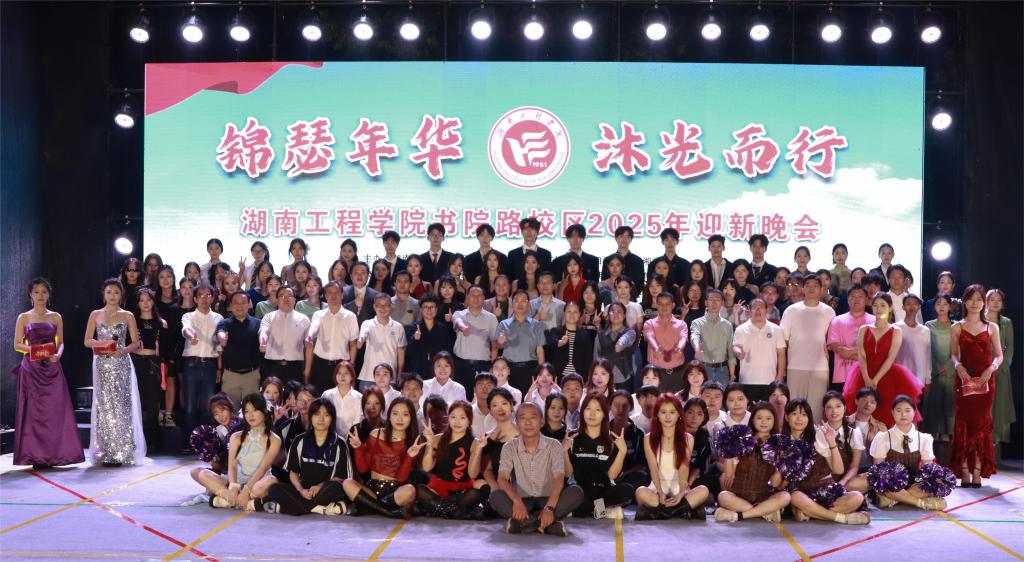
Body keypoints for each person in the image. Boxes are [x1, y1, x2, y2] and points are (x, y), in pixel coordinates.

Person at [11, 278, 85, 467]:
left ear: (49, 294)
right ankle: (35, 456)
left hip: (52, 368)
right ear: (30, 294)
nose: (40, 295)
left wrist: (58, 355)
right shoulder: (24, 317)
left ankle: (55, 455)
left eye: (44, 291)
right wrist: (33, 350)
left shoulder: (55, 316)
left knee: (55, 410)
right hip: (31, 369)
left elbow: (60, 342)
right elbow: (17, 344)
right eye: (36, 291)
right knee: (34, 413)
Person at [490, 402, 584, 536]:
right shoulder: (509, 447)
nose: (528, 422)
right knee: (495, 496)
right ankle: (548, 525)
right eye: (523, 418)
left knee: (576, 492)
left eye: (533, 417)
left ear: (541, 422)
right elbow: (502, 479)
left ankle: (523, 524)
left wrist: (549, 508)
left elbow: (558, 479)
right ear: (516, 423)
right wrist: (516, 501)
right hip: (522, 501)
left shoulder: (554, 445)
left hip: (549, 500)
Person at [842, 293, 924, 427]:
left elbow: (891, 357)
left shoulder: (896, 330)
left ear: (890, 307)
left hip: (887, 374)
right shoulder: (864, 329)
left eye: (882, 305)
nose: (878, 309)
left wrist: (875, 380)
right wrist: (866, 377)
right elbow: (861, 355)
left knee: (887, 410)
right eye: (875, 305)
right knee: (861, 409)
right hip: (864, 373)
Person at [783, 399, 870, 525]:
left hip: (826, 489)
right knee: (795, 497)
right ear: (787, 417)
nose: (799, 419)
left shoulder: (818, 435)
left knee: (857, 497)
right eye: (794, 414)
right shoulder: (781, 441)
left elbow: (838, 470)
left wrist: (832, 442)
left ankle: (811, 512)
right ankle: (843, 518)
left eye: (804, 414)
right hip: (802, 493)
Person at [949, 284, 1002, 487]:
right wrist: (958, 366)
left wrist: (991, 369)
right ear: (964, 302)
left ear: (984, 303)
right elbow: (954, 354)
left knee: (981, 424)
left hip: (985, 381)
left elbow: (999, 355)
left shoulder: (992, 327)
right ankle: (964, 471)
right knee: (963, 423)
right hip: (964, 380)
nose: (975, 303)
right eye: (971, 299)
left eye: (979, 299)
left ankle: (977, 471)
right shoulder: (957, 327)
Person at [261, 398, 351, 516]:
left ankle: (289, 507)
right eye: (317, 414)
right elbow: (293, 472)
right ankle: (318, 508)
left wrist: (319, 487)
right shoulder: (299, 440)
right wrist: (301, 490)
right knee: (274, 488)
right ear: (311, 417)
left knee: (337, 488)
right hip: (303, 491)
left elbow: (341, 478)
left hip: (325, 490)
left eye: (326, 415)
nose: (321, 419)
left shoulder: (340, 443)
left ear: (332, 419)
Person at [343, 396, 424, 518]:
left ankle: (368, 506)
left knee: (410, 490)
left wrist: (409, 456)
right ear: (389, 416)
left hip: (396, 492)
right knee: (347, 483)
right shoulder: (376, 434)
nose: (400, 418)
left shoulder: (413, 442)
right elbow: (363, 469)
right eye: (395, 414)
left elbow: (401, 479)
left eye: (405, 414)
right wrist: (358, 449)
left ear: (411, 418)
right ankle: (389, 512)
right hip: (372, 489)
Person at [197, 393, 280, 510]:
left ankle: (226, 501)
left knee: (271, 481)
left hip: (258, 482)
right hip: (237, 480)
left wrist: (246, 490)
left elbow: (263, 469)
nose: (250, 415)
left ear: (264, 411)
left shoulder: (274, 439)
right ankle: (241, 501)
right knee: (203, 474)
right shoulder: (236, 437)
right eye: (246, 411)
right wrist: (233, 487)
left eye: (255, 410)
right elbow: (232, 466)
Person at [634, 393, 709, 520]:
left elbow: (684, 467)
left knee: (703, 490)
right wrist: (660, 492)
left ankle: (660, 512)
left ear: (679, 414)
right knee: (640, 492)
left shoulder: (688, 438)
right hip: (657, 488)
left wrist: (681, 492)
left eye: (672, 412)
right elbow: (653, 468)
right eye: (663, 412)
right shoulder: (648, 438)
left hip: (679, 486)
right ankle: (683, 510)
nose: (668, 416)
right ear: (657, 414)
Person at [714, 402, 791, 522]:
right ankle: (764, 512)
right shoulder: (742, 440)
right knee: (723, 496)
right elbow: (729, 475)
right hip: (739, 495)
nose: (764, 422)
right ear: (753, 420)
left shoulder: (779, 445)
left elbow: (775, 484)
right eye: (759, 418)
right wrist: (728, 453)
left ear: (774, 421)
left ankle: (739, 515)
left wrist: (780, 464)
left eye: (768, 418)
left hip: (764, 497)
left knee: (785, 497)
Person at [868, 396, 947, 510]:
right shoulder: (882, 437)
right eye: (898, 411)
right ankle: (920, 503)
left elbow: (928, 469)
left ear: (914, 412)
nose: (903, 414)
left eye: (907, 410)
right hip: (889, 485)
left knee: (934, 482)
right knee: (882, 481)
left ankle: (893, 500)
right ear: (892, 412)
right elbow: (878, 469)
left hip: (913, 485)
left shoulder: (924, 438)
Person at [566, 394, 634, 519]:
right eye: (588, 409)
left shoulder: (612, 439)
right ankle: (601, 511)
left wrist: (622, 451)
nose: (592, 414)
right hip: (580, 492)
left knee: (627, 490)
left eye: (598, 410)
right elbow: (567, 472)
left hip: (603, 492)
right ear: (583, 412)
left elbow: (612, 475)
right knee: (570, 494)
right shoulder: (572, 437)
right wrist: (564, 450)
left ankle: (585, 511)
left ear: (604, 414)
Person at [417, 400, 488, 519]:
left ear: (469, 421)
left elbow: (473, 474)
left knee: (474, 494)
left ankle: (440, 509)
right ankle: (456, 511)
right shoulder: (438, 439)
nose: (457, 421)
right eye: (453, 417)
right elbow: (426, 467)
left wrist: (478, 450)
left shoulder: (475, 442)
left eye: (462, 418)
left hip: (462, 489)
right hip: (438, 488)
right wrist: (429, 443)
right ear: (448, 418)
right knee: (420, 490)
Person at [780, 273, 836, 421]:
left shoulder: (829, 311)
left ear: (822, 289)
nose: (811, 289)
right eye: (808, 285)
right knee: (794, 409)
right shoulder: (791, 310)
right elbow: (783, 340)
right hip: (795, 367)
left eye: (815, 286)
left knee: (816, 411)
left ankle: (815, 436)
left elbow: (832, 341)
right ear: (802, 289)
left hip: (820, 368)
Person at [178, 284, 224, 439]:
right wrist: (191, 336)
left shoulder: (218, 318)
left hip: (210, 364)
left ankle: (206, 441)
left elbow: (219, 346)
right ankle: (189, 441)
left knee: (207, 406)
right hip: (192, 363)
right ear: (195, 299)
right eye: (201, 295)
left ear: (213, 298)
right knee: (190, 405)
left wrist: (219, 368)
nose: (205, 299)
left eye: (208, 295)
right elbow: (186, 329)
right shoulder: (189, 316)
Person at [305, 281, 359, 395]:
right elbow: (314, 327)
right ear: (325, 296)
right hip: (320, 364)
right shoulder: (318, 314)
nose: (333, 296)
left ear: (342, 295)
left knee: (340, 397)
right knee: (319, 398)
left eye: (337, 292)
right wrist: (310, 335)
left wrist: (351, 366)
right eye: (330, 293)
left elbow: (353, 344)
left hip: (341, 365)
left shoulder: (350, 316)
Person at [732, 298, 786, 402]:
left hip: (770, 380)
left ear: (766, 310)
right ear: (749, 310)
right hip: (747, 379)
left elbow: (781, 354)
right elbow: (736, 346)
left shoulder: (776, 329)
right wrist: (737, 351)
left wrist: (780, 375)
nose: (758, 310)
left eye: (761, 307)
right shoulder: (741, 329)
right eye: (754, 308)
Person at [130, 288, 165, 445]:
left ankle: (152, 442)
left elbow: (167, 348)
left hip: (153, 363)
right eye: (142, 300)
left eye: (148, 300)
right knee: (136, 401)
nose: (145, 303)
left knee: (152, 402)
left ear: (153, 301)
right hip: (135, 361)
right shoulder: (132, 321)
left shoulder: (161, 323)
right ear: (138, 303)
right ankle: (135, 441)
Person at [495, 290, 546, 396]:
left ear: (528, 304)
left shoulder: (536, 325)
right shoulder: (503, 324)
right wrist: (500, 342)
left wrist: (541, 373)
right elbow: (499, 346)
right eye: (516, 301)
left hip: (530, 368)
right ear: (512, 303)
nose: (520, 304)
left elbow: (540, 351)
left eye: (523, 301)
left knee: (529, 400)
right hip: (509, 369)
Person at [216, 291, 262, 408]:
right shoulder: (224, 323)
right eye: (236, 302)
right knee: (230, 411)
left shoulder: (258, 323)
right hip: (230, 375)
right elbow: (220, 332)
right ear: (231, 305)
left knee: (253, 410)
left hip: (252, 375)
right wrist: (222, 338)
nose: (239, 306)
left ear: (249, 304)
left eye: (243, 302)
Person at [826, 284, 875, 395]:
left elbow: (875, 350)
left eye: (860, 296)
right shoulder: (837, 321)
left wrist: (850, 352)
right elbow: (838, 349)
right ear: (848, 300)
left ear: (866, 300)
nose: (856, 300)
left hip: (868, 375)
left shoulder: (874, 321)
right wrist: (861, 353)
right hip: (842, 375)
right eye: (853, 296)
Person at [259, 287, 311, 385]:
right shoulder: (269, 317)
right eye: (282, 295)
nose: (286, 298)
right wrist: (263, 340)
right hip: (271, 366)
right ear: (277, 300)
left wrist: (307, 369)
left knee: (293, 394)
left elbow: (309, 345)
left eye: (289, 296)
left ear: (295, 300)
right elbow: (264, 331)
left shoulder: (304, 319)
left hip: (294, 367)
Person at [452, 286, 498, 396]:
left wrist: (492, 367)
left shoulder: (491, 318)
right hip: (461, 365)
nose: (476, 298)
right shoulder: (459, 314)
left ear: (484, 298)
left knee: (483, 398)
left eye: (479, 296)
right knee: (461, 398)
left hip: (483, 366)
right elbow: (458, 322)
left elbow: (494, 345)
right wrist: (464, 328)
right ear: (467, 297)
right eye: (472, 295)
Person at [356, 294, 407, 391]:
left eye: (386, 305)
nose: (382, 308)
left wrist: (399, 374)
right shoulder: (367, 323)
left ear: (391, 306)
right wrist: (361, 339)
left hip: (390, 377)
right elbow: (363, 335)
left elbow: (401, 352)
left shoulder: (398, 327)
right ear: (374, 307)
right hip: (368, 376)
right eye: (379, 305)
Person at [985, 288, 1015, 452]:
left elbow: (1009, 348)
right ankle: (983, 443)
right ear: (986, 302)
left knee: (1000, 405)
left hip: (1001, 371)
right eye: (992, 299)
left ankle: (995, 442)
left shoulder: (1006, 322)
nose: (996, 303)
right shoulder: (980, 320)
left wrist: (1000, 367)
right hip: (982, 369)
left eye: (999, 300)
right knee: (985, 407)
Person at [922, 295, 956, 439]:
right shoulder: (928, 325)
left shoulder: (956, 325)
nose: (942, 306)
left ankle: (948, 433)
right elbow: (926, 349)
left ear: (950, 306)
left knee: (949, 401)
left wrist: (948, 366)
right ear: (934, 307)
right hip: (933, 369)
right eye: (938, 304)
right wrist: (937, 367)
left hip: (952, 369)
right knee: (934, 402)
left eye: (945, 304)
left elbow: (959, 349)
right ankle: (933, 433)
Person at [820, 392, 868, 492]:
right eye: (829, 407)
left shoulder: (854, 433)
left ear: (845, 408)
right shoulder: (818, 432)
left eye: (838, 406)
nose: (834, 411)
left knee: (866, 480)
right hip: (822, 480)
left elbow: (854, 466)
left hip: (846, 481)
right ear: (824, 410)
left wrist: (842, 483)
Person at [643, 291, 689, 393]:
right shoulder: (649, 323)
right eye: (661, 304)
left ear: (673, 305)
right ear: (656, 305)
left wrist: (679, 348)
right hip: (655, 375)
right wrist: (656, 348)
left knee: (678, 402)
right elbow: (650, 337)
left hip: (678, 373)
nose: (664, 307)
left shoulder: (681, 324)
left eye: (667, 304)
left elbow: (683, 338)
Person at [690, 288, 736, 386]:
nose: (714, 303)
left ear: (722, 303)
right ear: (706, 302)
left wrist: (732, 375)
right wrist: (697, 348)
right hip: (703, 369)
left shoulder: (727, 325)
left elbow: (731, 351)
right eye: (711, 299)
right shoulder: (697, 322)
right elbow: (694, 336)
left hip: (722, 370)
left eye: (717, 300)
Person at [404, 295, 453, 378]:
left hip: (437, 371)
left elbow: (447, 351)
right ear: (421, 309)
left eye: (432, 307)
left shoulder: (442, 328)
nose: (429, 310)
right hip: (417, 370)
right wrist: (415, 339)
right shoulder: (412, 328)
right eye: (425, 307)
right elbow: (408, 353)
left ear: (436, 309)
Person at [593, 302, 638, 388]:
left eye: (619, 311)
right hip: (604, 380)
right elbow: (596, 358)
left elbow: (625, 339)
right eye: (612, 311)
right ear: (608, 316)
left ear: (624, 316)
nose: (616, 314)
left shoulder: (630, 332)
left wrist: (620, 344)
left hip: (624, 379)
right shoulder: (600, 335)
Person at [546, 301, 595, 379]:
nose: (572, 314)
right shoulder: (555, 331)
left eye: (575, 312)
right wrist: (561, 342)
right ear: (564, 313)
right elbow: (552, 344)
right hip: (558, 378)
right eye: (569, 311)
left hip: (579, 378)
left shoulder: (585, 335)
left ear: (579, 314)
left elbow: (588, 360)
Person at [895, 294, 932, 387]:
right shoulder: (896, 328)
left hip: (920, 377)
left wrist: (928, 380)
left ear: (919, 307)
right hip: (900, 376)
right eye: (908, 304)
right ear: (903, 307)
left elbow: (928, 356)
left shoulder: (925, 330)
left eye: (915, 304)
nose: (912, 307)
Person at [320, 361, 363, 438]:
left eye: (346, 373)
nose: (342, 376)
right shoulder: (327, 395)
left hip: (351, 438)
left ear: (352, 376)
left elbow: (358, 421)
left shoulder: (359, 397)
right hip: (329, 437)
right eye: (339, 373)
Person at [508, 216, 553, 284]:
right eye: (526, 229)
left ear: (537, 232)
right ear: (522, 232)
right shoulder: (512, 254)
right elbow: (510, 277)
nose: (529, 232)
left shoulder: (546, 254)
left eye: (532, 229)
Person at [470, 372, 498, 437]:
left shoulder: (501, 412)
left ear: (495, 389)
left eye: (489, 385)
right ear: (474, 389)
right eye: (480, 385)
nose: (484, 388)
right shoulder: (468, 412)